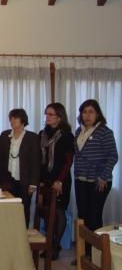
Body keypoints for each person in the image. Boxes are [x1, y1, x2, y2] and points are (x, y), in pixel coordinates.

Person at [74, 99, 118, 237]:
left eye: (91, 112)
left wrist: (103, 176)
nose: (87, 115)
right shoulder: (78, 131)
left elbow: (113, 155)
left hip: (99, 181)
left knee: (94, 216)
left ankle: (95, 254)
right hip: (80, 179)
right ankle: (84, 253)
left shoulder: (104, 131)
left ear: (97, 114)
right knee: (83, 216)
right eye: (84, 112)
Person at [39, 102, 75, 260]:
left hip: (61, 180)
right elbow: (41, 159)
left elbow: (68, 161)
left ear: (59, 117)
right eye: (46, 114)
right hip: (46, 179)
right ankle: (50, 243)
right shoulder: (43, 133)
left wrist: (59, 180)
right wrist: (40, 180)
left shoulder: (67, 135)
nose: (47, 117)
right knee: (47, 213)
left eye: (51, 114)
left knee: (59, 212)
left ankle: (55, 246)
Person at [0, 108, 40, 225]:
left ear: (23, 120)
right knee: (7, 209)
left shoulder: (32, 137)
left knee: (23, 209)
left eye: (15, 118)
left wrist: (33, 183)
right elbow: (1, 159)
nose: (12, 121)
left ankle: (22, 235)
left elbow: (36, 162)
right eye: (11, 118)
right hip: (7, 180)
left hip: (24, 181)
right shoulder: (5, 135)